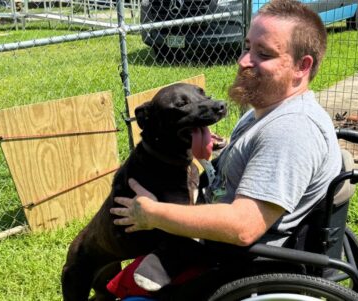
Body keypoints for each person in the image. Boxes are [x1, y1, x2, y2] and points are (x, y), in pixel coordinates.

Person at [109, 0, 342, 296]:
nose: (244, 60)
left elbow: (243, 227)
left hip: (237, 265)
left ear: (301, 66)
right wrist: (215, 151)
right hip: (211, 247)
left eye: (264, 54)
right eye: (247, 47)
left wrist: (152, 214)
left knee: (127, 294)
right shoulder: (264, 111)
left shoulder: (291, 130)